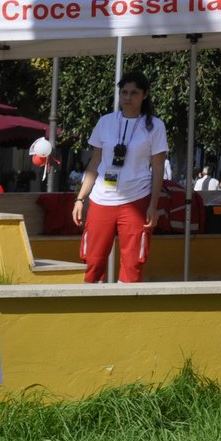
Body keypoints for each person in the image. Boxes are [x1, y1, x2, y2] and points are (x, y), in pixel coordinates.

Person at [72, 72, 168, 284]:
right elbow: (94, 163)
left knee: (133, 263)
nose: (128, 97)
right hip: (101, 198)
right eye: (124, 92)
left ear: (145, 95)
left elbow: (159, 168)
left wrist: (153, 205)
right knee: (93, 262)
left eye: (134, 93)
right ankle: (91, 309)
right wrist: (80, 198)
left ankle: (128, 312)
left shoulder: (155, 126)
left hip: (137, 199)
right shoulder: (105, 122)